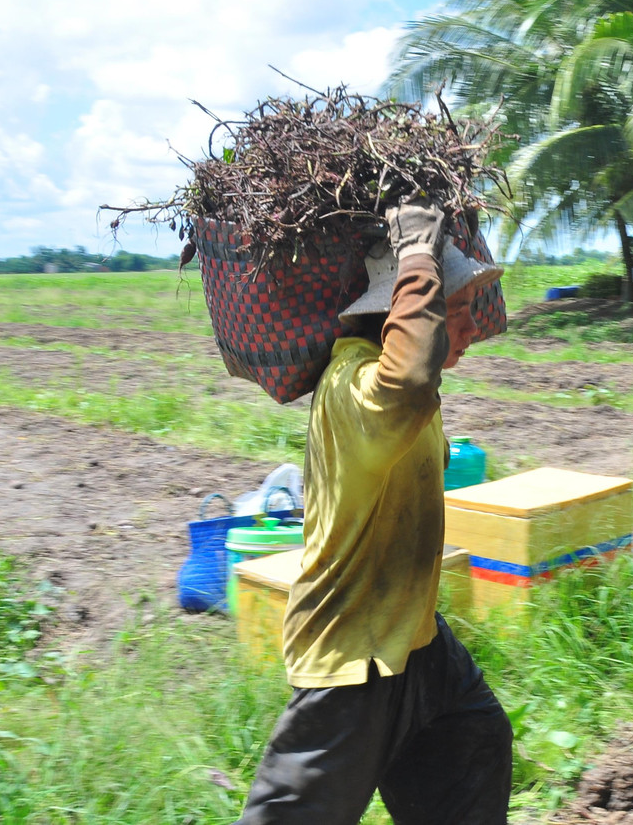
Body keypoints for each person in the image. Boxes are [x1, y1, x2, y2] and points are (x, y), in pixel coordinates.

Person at [233, 199, 513, 825]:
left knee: (476, 743)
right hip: (351, 652)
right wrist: (416, 254)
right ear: (400, 311)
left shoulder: (404, 390)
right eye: (455, 312)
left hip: (415, 642)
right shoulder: (353, 386)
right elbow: (407, 382)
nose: (470, 330)